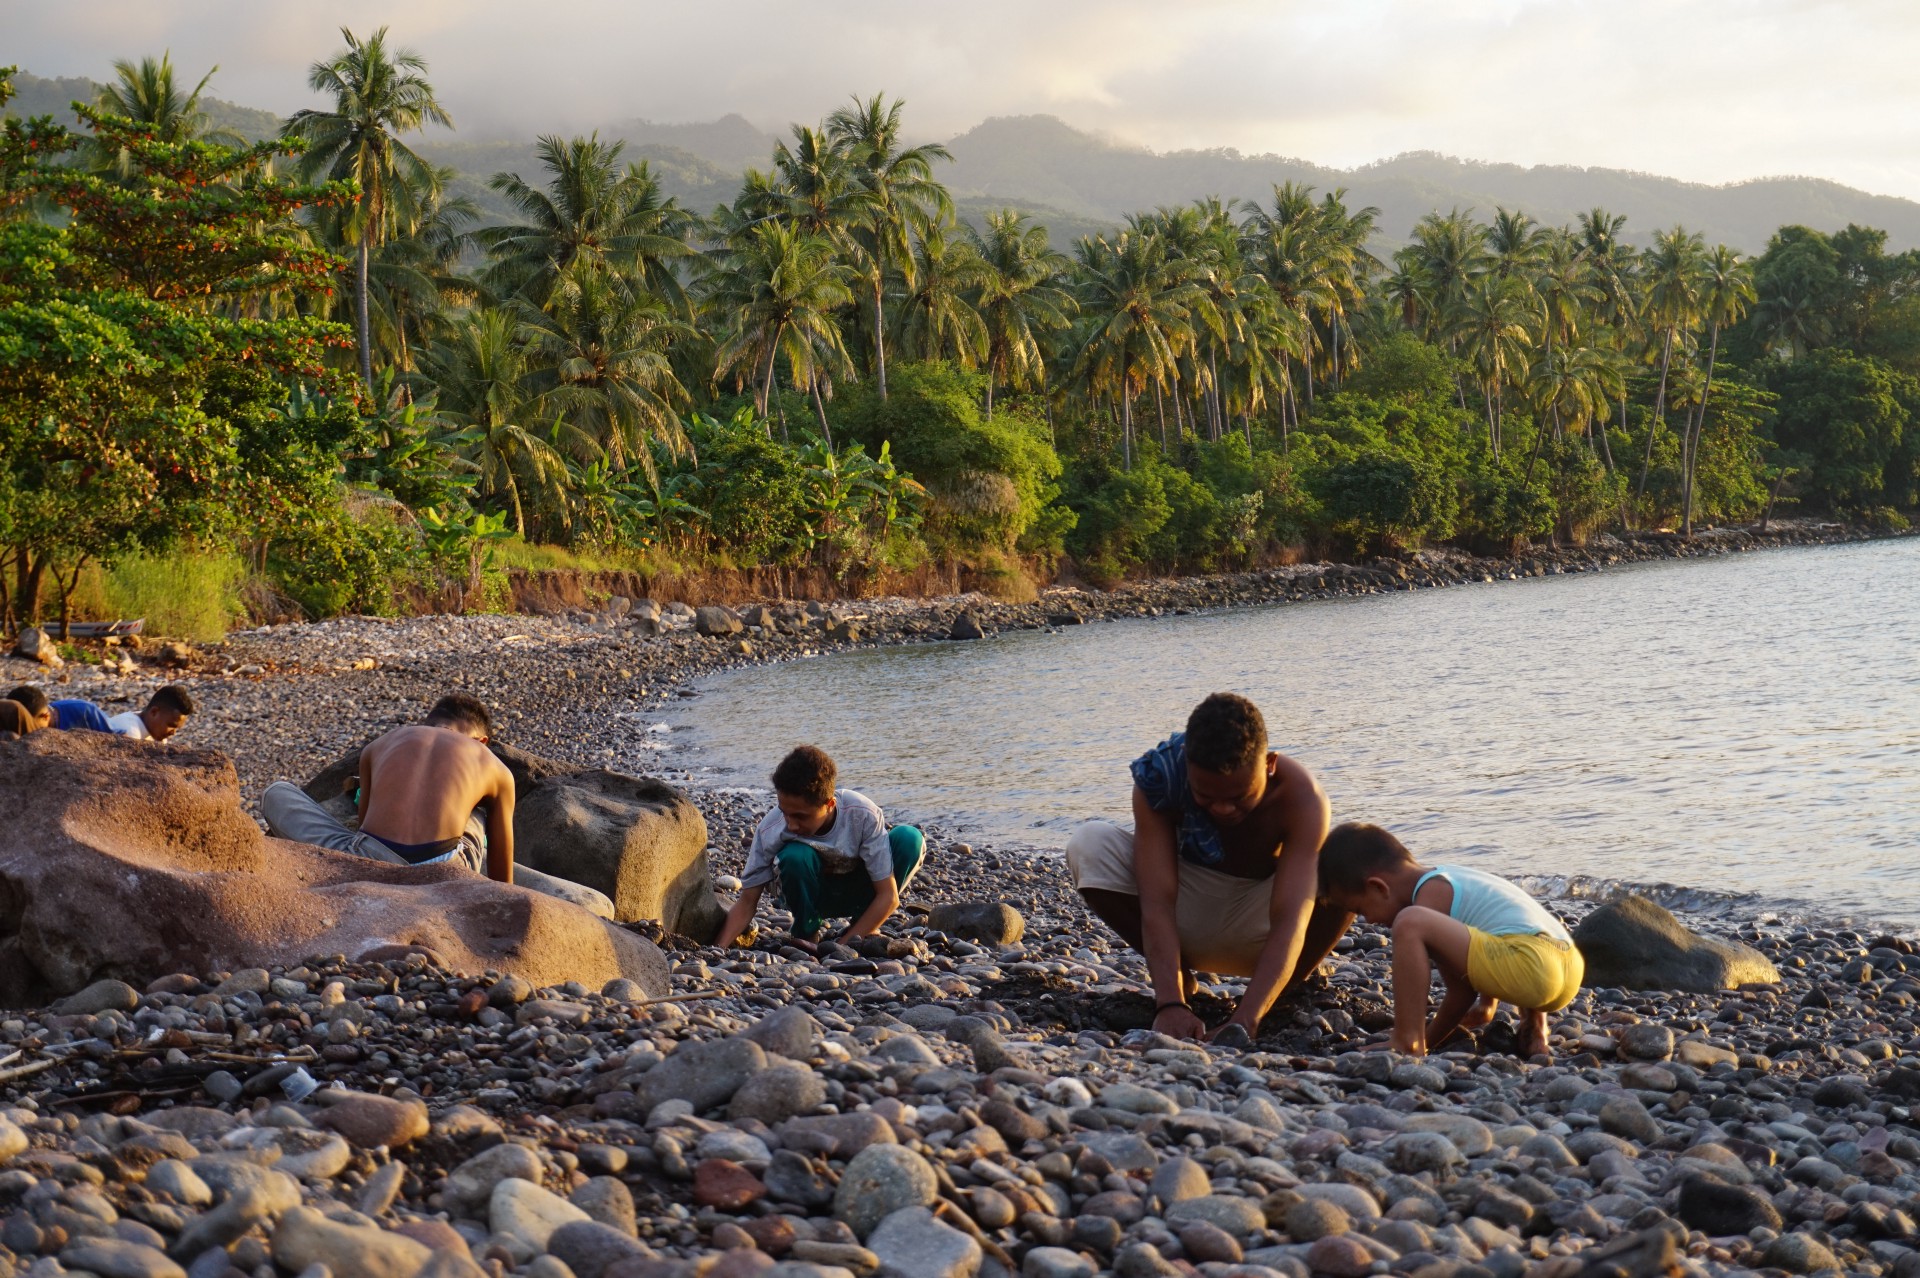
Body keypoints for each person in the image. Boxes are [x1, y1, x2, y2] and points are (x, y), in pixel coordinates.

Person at [1066, 692, 1343, 1044]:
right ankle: (1178, 974)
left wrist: (1244, 1021)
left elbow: (1291, 920)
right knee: (1089, 843)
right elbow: (1157, 901)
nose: (1223, 809)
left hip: (1262, 925)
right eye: (1206, 797)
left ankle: (1279, 991)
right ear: (1187, 762)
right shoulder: (1161, 777)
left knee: (1347, 861)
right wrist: (1170, 1004)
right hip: (1187, 907)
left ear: (1269, 764)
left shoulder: (1302, 799)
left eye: (1239, 797)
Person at [258, 693, 610, 914]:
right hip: (444, 870)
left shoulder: (384, 742)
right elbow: (502, 873)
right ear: (482, 741)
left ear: (427, 725)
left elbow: (362, 824)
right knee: (476, 809)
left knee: (276, 790)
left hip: (369, 861)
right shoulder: (493, 766)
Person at [1316, 822, 1583, 1059]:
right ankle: (1535, 1028)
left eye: (1361, 909)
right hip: (1568, 965)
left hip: (1533, 966)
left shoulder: (1431, 897)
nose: (1368, 921)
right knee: (1505, 928)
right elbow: (1493, 932)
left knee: (1409, 922)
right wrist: (1484, 1007)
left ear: (1378, 886)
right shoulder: (1454, 876)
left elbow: (1461, 992)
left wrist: (1420, 1040)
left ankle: (1405, 1039)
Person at [716, 745, 925, 948]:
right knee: (794, 856)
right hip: (809, 895)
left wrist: (843, 946)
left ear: (829, 804)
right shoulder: (770, 828)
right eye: (785, 812)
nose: (791, 825)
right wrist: (718, 948)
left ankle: (862, 926)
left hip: (860, 891)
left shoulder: (862, 815)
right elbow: (747, 902)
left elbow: (888, 896)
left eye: (801, 816)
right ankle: (806, 933)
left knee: (908, 839)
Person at [107, 685, 195, 742]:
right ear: (154, 712)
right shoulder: (129, 732)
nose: (173, 733)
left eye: (177, 728)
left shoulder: (155, 733)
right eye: (171, 725)